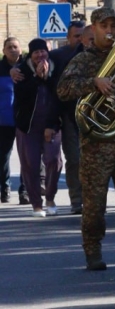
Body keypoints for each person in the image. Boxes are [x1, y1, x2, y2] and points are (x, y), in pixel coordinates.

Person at [57, 7, 115, 271]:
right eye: (105, 26)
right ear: (94, 28)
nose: (110, 31)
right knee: (94, 204)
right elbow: (63, 89)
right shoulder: (84, 60)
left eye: (113, 26)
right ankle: (93, 251)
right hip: (96, 144)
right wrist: (94, 82)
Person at [14, 39, 63, 216]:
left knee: (53, 161)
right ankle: (36, 204)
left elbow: (59, 96)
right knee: (30, 165)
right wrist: (36, 77)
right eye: (36, 52)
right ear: (31, 54)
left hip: (51, 125)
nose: (40, 55)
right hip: (27, 127)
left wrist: (47, 77)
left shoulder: (56, 68)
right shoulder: (21, 71)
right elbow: (21, 94)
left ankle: (50, 197)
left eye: (43, 51)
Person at [49, 21, 86, 214]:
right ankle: (77, 200)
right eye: (76, 36)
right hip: (70, 118)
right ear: (69, 38)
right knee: (74, 160)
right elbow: (33, 62)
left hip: (96, 119)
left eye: (83, 36)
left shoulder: (100, 55)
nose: (80, 40)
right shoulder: (58, 56)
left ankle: (95, 200)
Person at [0, 37, 23, 204]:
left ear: (20, 50)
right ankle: (5, 188)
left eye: (15, 47)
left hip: (24, 119)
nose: (12, 50)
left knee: (27, 158)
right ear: (4, 51)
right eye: (9, 47)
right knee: (3, 157)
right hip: (4, 120)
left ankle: (25, 190)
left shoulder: (28, 67)